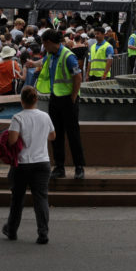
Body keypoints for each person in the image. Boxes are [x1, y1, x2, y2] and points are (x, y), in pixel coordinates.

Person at [3, 86, 55, 245]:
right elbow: (52, 136)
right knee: (41, 198)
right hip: (42, 162)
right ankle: (43, 233)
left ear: (22, 101)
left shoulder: (17, 118)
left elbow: (12, 140)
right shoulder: (45, 116)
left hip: (23, 163)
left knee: (17, 199)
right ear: (36, 100)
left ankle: (11, 230)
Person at [35, 30, 85, 180]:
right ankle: (59, 167)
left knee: (73, 134)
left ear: (49, 42)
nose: (43, 46)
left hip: (68, 100)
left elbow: (78, 76)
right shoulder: (50, 56)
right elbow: (42, 63)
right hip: (55, 98)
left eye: (44, 43)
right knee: (56, 135)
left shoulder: (68, 56)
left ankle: (79, 167)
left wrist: (73, 97)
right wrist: (32, 63)